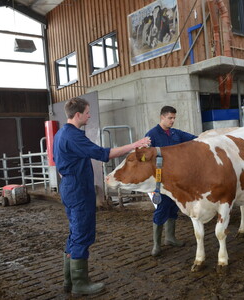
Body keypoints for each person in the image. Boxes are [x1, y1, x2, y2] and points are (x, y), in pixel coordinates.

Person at [53, 97, 150, 296]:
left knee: (75, 232)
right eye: (87, 112)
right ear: (78, 114)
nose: (89, 116)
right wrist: (135, 145)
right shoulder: (73, 136)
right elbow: (103, 153)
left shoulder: (61, 133)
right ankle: (80, 284)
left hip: (70, 186)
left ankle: (69, 280)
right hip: (78, 189)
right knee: (83, 233)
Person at [145, 106, 197, 256]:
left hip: (176, 178)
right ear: (162, 117)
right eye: (170, 118)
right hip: (161, 179)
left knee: (174, 206)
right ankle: (156, 244)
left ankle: (170, 238)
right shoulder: (152, 135)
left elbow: (196, 138)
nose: (173, 121)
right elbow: (146, 157)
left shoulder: (176, 133)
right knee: (162, 207)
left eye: (174, 118)